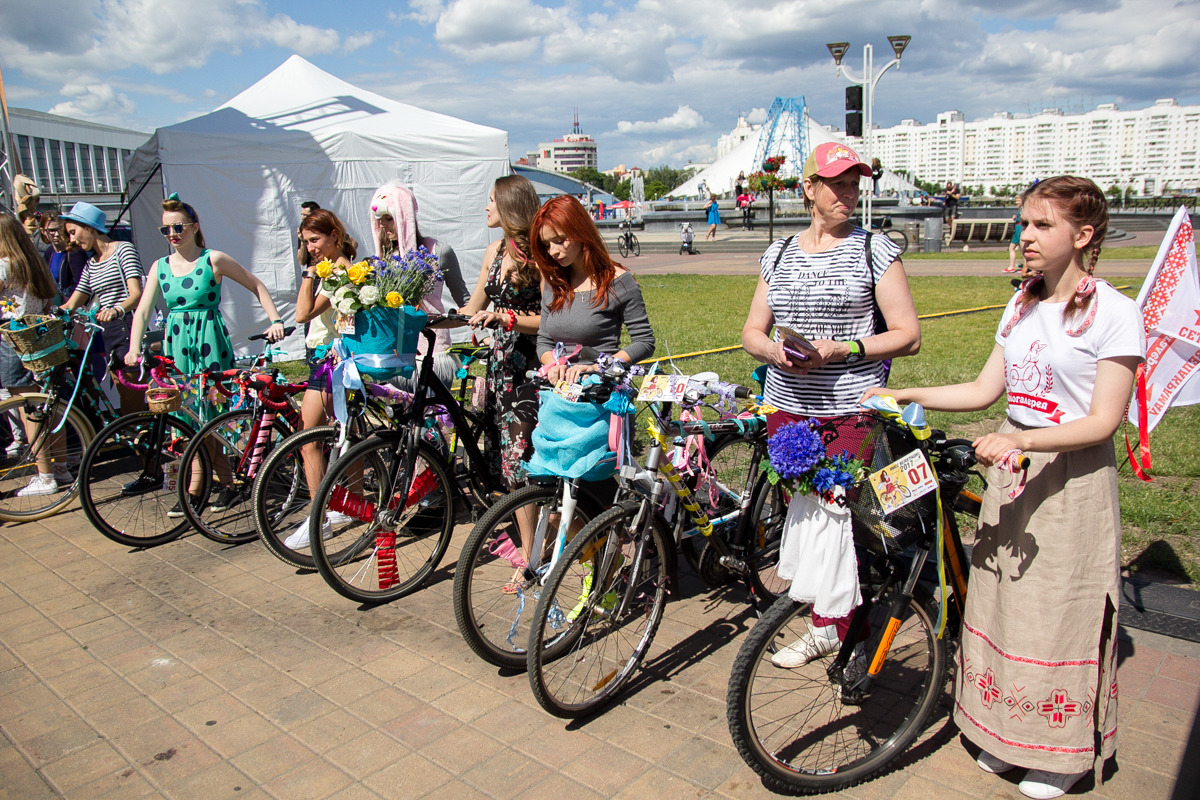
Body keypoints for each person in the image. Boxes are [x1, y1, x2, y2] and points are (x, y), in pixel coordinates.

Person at [863, 176, 1142, 800]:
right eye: (1024, 223)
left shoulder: (1116, 313)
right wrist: (908, 393)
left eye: (1043, 225)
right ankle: (1007, 733)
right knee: (1002, 599)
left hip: (1068, 479)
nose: (1027, 236)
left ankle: (1061, 756)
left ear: (1084, 235)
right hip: (1011, 468)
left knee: (1058, 609)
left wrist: (1022, 442)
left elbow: (1102, 422)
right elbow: (986, 391)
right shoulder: (1020, 305)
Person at [740, 141, 920, 666]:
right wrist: (774, 349)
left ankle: (845, 628)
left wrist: (846, 348)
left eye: (854, 184)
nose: (848, 194)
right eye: (837, 183)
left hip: (850, 407)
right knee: (804, 513)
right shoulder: (777, 254)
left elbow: (908, 335)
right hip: (787, 406)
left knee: (839, 517)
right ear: (809, 189)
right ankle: (824, 620)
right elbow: (752, 331)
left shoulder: (875, 250)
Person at [124, 194, 286, 513]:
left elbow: (256, 285)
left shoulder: (214, 259)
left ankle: (199, 487)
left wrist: (276, 320)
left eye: (179, 227)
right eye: (166, 229)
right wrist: (133, 348)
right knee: (187, 417)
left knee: (210, 416)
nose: (172, 234)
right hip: (177, 347)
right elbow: (142, 312)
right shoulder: (160, 267)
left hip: (209, 342)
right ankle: (223, 483)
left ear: (194, 227)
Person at [458, 175, 542, 491]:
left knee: (522, 456)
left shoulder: (540, 252)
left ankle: (538, 535)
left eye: (491, 200)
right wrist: (424, 317)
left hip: (533, 365)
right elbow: (471, 309)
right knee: (501, 452)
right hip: (501, 365)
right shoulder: (494, 251)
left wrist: (505, 318)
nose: (486, 206)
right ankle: (519, 530)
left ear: (509, 206)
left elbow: (551, 319)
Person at [284, 208, 357, 549]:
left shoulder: (338, 269)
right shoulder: (339, 267)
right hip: (324, 356)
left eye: (315, 240)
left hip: (331, 359)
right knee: (345, 435)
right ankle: (348, 503)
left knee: (309, 438)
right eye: (305, 242)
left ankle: (319, 517)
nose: (310, 247)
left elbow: (302, 313)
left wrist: (309, 275)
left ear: (333, 236)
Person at [531, 194, 656, 385]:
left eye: (559, 240)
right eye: (547, 245)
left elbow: (644, 342)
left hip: (602, 393)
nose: (552, 251)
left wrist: (599, 367)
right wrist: (555, 365)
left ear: (580, 231)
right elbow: (544, 341)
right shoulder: (554, 282)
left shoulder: (619, 282)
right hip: (557, 394)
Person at [368, 182, 469, 388]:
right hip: (391, 350)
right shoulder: (380, 261)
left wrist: (483, 334)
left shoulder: (438, 251)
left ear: (405, 217)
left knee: (434, 415)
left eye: (390, 218)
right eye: (380, 220)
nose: (384, 225)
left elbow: (464, 298)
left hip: (431, 350)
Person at [59, 201, 145, 414]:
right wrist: (52, 315)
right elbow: (73, 301)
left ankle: (146, 439)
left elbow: (136, 293)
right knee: (124, 397)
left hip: (128, 326)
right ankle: (139, 439)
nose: (72, 239)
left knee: (131, 401)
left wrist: (116, 309)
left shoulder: (123, 250)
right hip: (108, 332)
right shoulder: (92, 263)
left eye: (73, 232)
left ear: (88, 226)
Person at [0, 214, 65, 496]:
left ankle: (45, 475)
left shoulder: (4, 266)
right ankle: (60, 467)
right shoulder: (34, 262)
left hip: (14, 339)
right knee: (50, 405)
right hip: (42, 337)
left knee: (28, 408)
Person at [40, 214, 86, 299]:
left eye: (60, 229)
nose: (57, 234)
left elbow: (81, 285)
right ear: (43, 231)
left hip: (71, 304)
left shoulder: (75, 252)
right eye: (52, 230)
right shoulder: (49, 252)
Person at [1005, 195, 1028, 276]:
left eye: (1018, 200)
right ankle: (1011, 267)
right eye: (1016, 201)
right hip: (1017, 228)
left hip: (1020, 229)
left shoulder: (1024, 209)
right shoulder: (1020, 209)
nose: (1016, 202)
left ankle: (1025, 267)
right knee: (1012, 247)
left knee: (1023, 249)